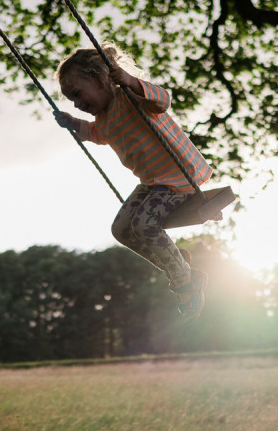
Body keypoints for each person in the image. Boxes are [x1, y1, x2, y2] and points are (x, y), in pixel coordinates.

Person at [53, 44, 211, 321]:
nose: (77, 103)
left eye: (77, 94)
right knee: (121, 230)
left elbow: (163, 99)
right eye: (71, 100)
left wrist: (129, 80)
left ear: (102, 79)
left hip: (178, 176)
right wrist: (73, 122)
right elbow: (95, 134)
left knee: (144, 225)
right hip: (154, 183)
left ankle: (185, 281)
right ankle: (179, 267)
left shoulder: (131, 97)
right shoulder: (103, 118)